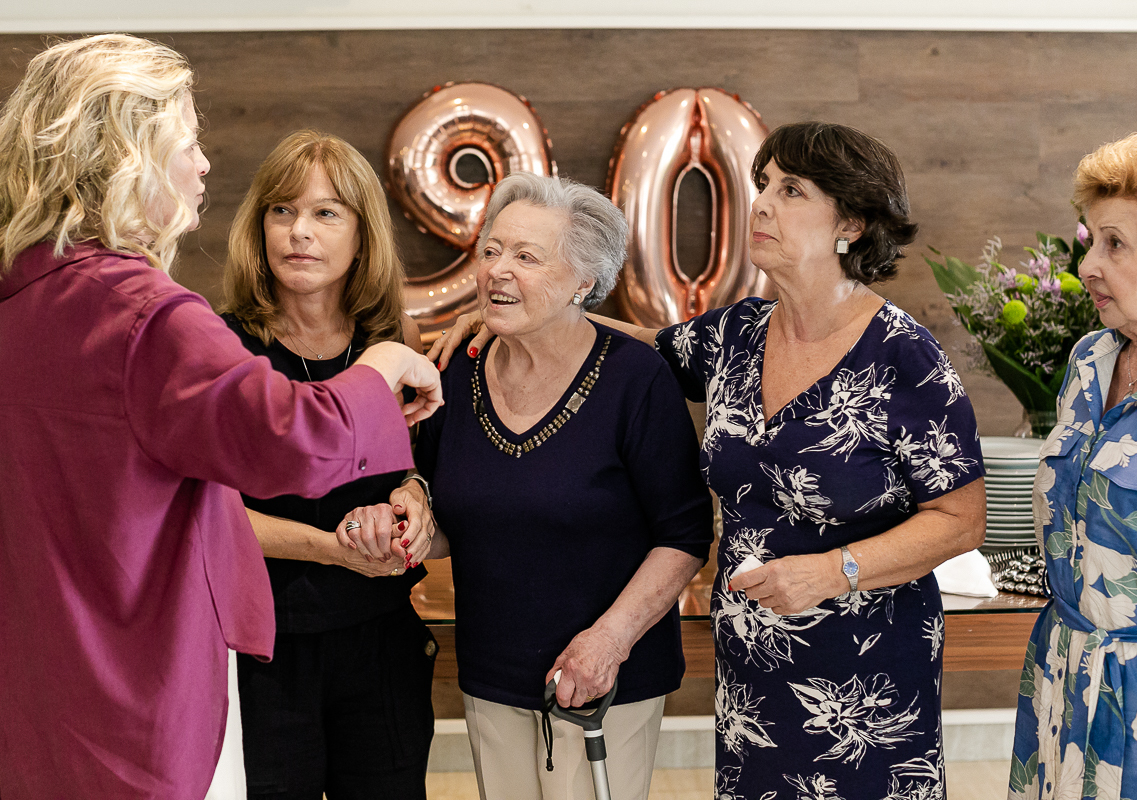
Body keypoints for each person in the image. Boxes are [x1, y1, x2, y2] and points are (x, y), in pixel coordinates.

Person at [433, 122, 987, 799]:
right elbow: (641, 339)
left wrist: (832, 573)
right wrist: (506, 310)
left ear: (852, 221)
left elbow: (960, 521)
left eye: (791, 191)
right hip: (753, 673)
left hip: (863, 682)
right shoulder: (739, 336)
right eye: (763, 187)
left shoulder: (904, 357)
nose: (762, 205)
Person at [0, 35, 441, 800]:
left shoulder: (22, 297)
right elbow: (301, 440)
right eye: (189, 141)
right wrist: (387, 366)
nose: (205, 165)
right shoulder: (148, 318)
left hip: (37, 680)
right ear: (131, 153)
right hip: (138, 691)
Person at [407, 172, 713, 800]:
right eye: (491, 250)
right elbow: (445, 517)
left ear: (584, 281)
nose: (497, 270)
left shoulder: (637, 380)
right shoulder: (455, 374)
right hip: (492, 670)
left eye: (526, 257)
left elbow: (684, 536)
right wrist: (409, 516)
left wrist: (607, 643)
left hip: (608, 675)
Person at [221, 129, 439, 799]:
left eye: (324, 213)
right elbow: (209, 516)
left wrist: (416, 499)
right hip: (265, 648)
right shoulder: (222, 348)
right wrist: (331, 549)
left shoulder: (394, 345)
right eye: (281, 210)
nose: (298, 233)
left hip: (381, 641)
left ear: (361, 234)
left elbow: (416, 467)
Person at [1009, 132, 1137, 800]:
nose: (1088, 265)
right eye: (1091, 239)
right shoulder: (1090, 359)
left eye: (1115, 243)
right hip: (1064, 682)